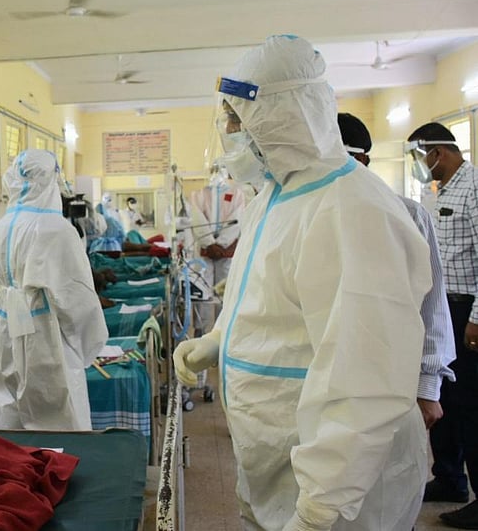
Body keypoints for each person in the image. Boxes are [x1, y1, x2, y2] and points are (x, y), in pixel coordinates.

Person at [173, 35, 432, 530]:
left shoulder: (352, 210)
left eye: (237, 118)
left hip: (338, 485)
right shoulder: (276, 196)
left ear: (282, 114)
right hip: (279, 456)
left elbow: (365, 378)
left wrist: (321, 506)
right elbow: (264, 301)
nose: (230, 132)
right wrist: (218, 341)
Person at [337, 112, 455, 430]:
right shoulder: (305, 215)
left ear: (362, 160)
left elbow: (431, 304)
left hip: (390, 374)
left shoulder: (408, 215)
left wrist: (428, 385)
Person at [0, 148, 107, 430]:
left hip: (2, 332)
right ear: (52, 179)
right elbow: (75, 297)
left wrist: (11, 308)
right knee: (57, 425)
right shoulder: (56, 230)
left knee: (10, 421)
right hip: (44, 337)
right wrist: (88, 346)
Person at [405, 122, 478, 528]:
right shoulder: (437, 192)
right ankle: (449, 477)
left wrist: (476, 320)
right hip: (443, 308)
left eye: (421, 156)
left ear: (441, 152)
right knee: (442, 400)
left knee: (471, 406)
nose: (420, 165)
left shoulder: (474, 187)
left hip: (468, 311)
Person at [186, 164, 245, 334]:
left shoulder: (236, 195)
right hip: (206, 252)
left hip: (225, 253)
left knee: (224, 292)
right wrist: (210, 243)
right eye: (214, 169)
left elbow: (237, 219)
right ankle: (203, 332)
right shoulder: (198, 195)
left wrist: (222, 244)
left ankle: (223, 332)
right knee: (203, 293)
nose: (217, 173)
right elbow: (198, 219)